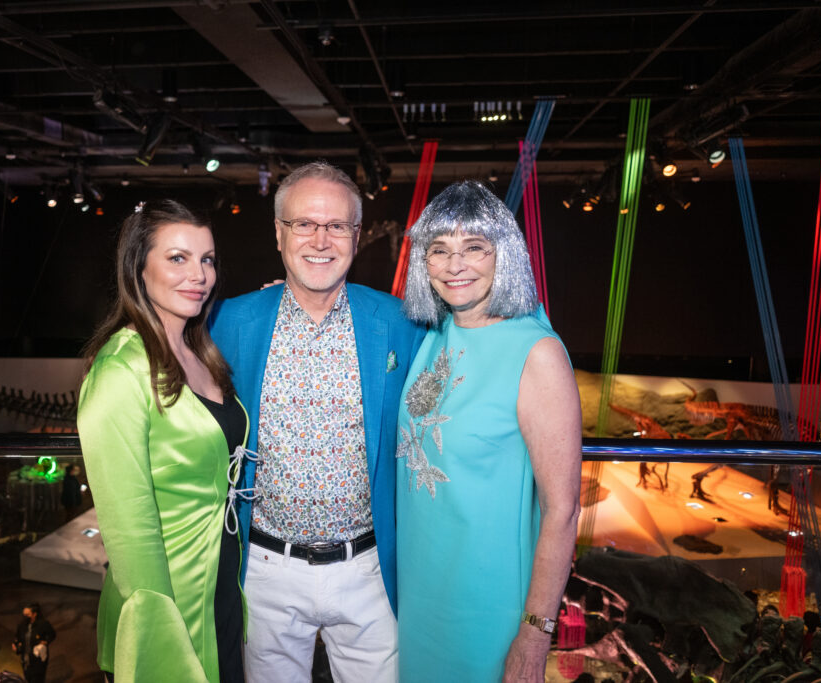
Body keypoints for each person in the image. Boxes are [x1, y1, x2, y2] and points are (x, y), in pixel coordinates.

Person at [209, 161, 424, 682]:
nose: (320, 240)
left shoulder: (401, 322)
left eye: (337, 226)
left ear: (356, 236)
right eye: (304, 224)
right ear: (279, 234)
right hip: (266, 573)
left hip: (369, 571)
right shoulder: (229, 321)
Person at [395, 180, 582, 681]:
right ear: (423, 262)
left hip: (488, 607)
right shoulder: (437, 329)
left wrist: (535, 634)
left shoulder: (535, 353)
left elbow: (562, 510)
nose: (455, 266)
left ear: (506, 256)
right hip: (422, 596)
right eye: (440, 250)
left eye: (474, 248)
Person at [78, 200, 246, 683]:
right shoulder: (120, 371)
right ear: (138, 267)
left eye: (207, 259)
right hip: (169, 609)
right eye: (178, 258)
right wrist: (159, 644)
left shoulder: (199, 349)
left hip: (220, 589)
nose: (199, 274)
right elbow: (129, 535)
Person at [12, 602, 56, 683]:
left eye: (27, 615)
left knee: (37, 679)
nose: (25, 617)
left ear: (34, 614)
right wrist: (15, 644)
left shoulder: (43, 624)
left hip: (38, 660)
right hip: (26, 659)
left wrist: (46, 642)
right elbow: (17, 636)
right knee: (27, 677)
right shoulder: (22, 625)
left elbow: (52, 634)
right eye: (24, 614)